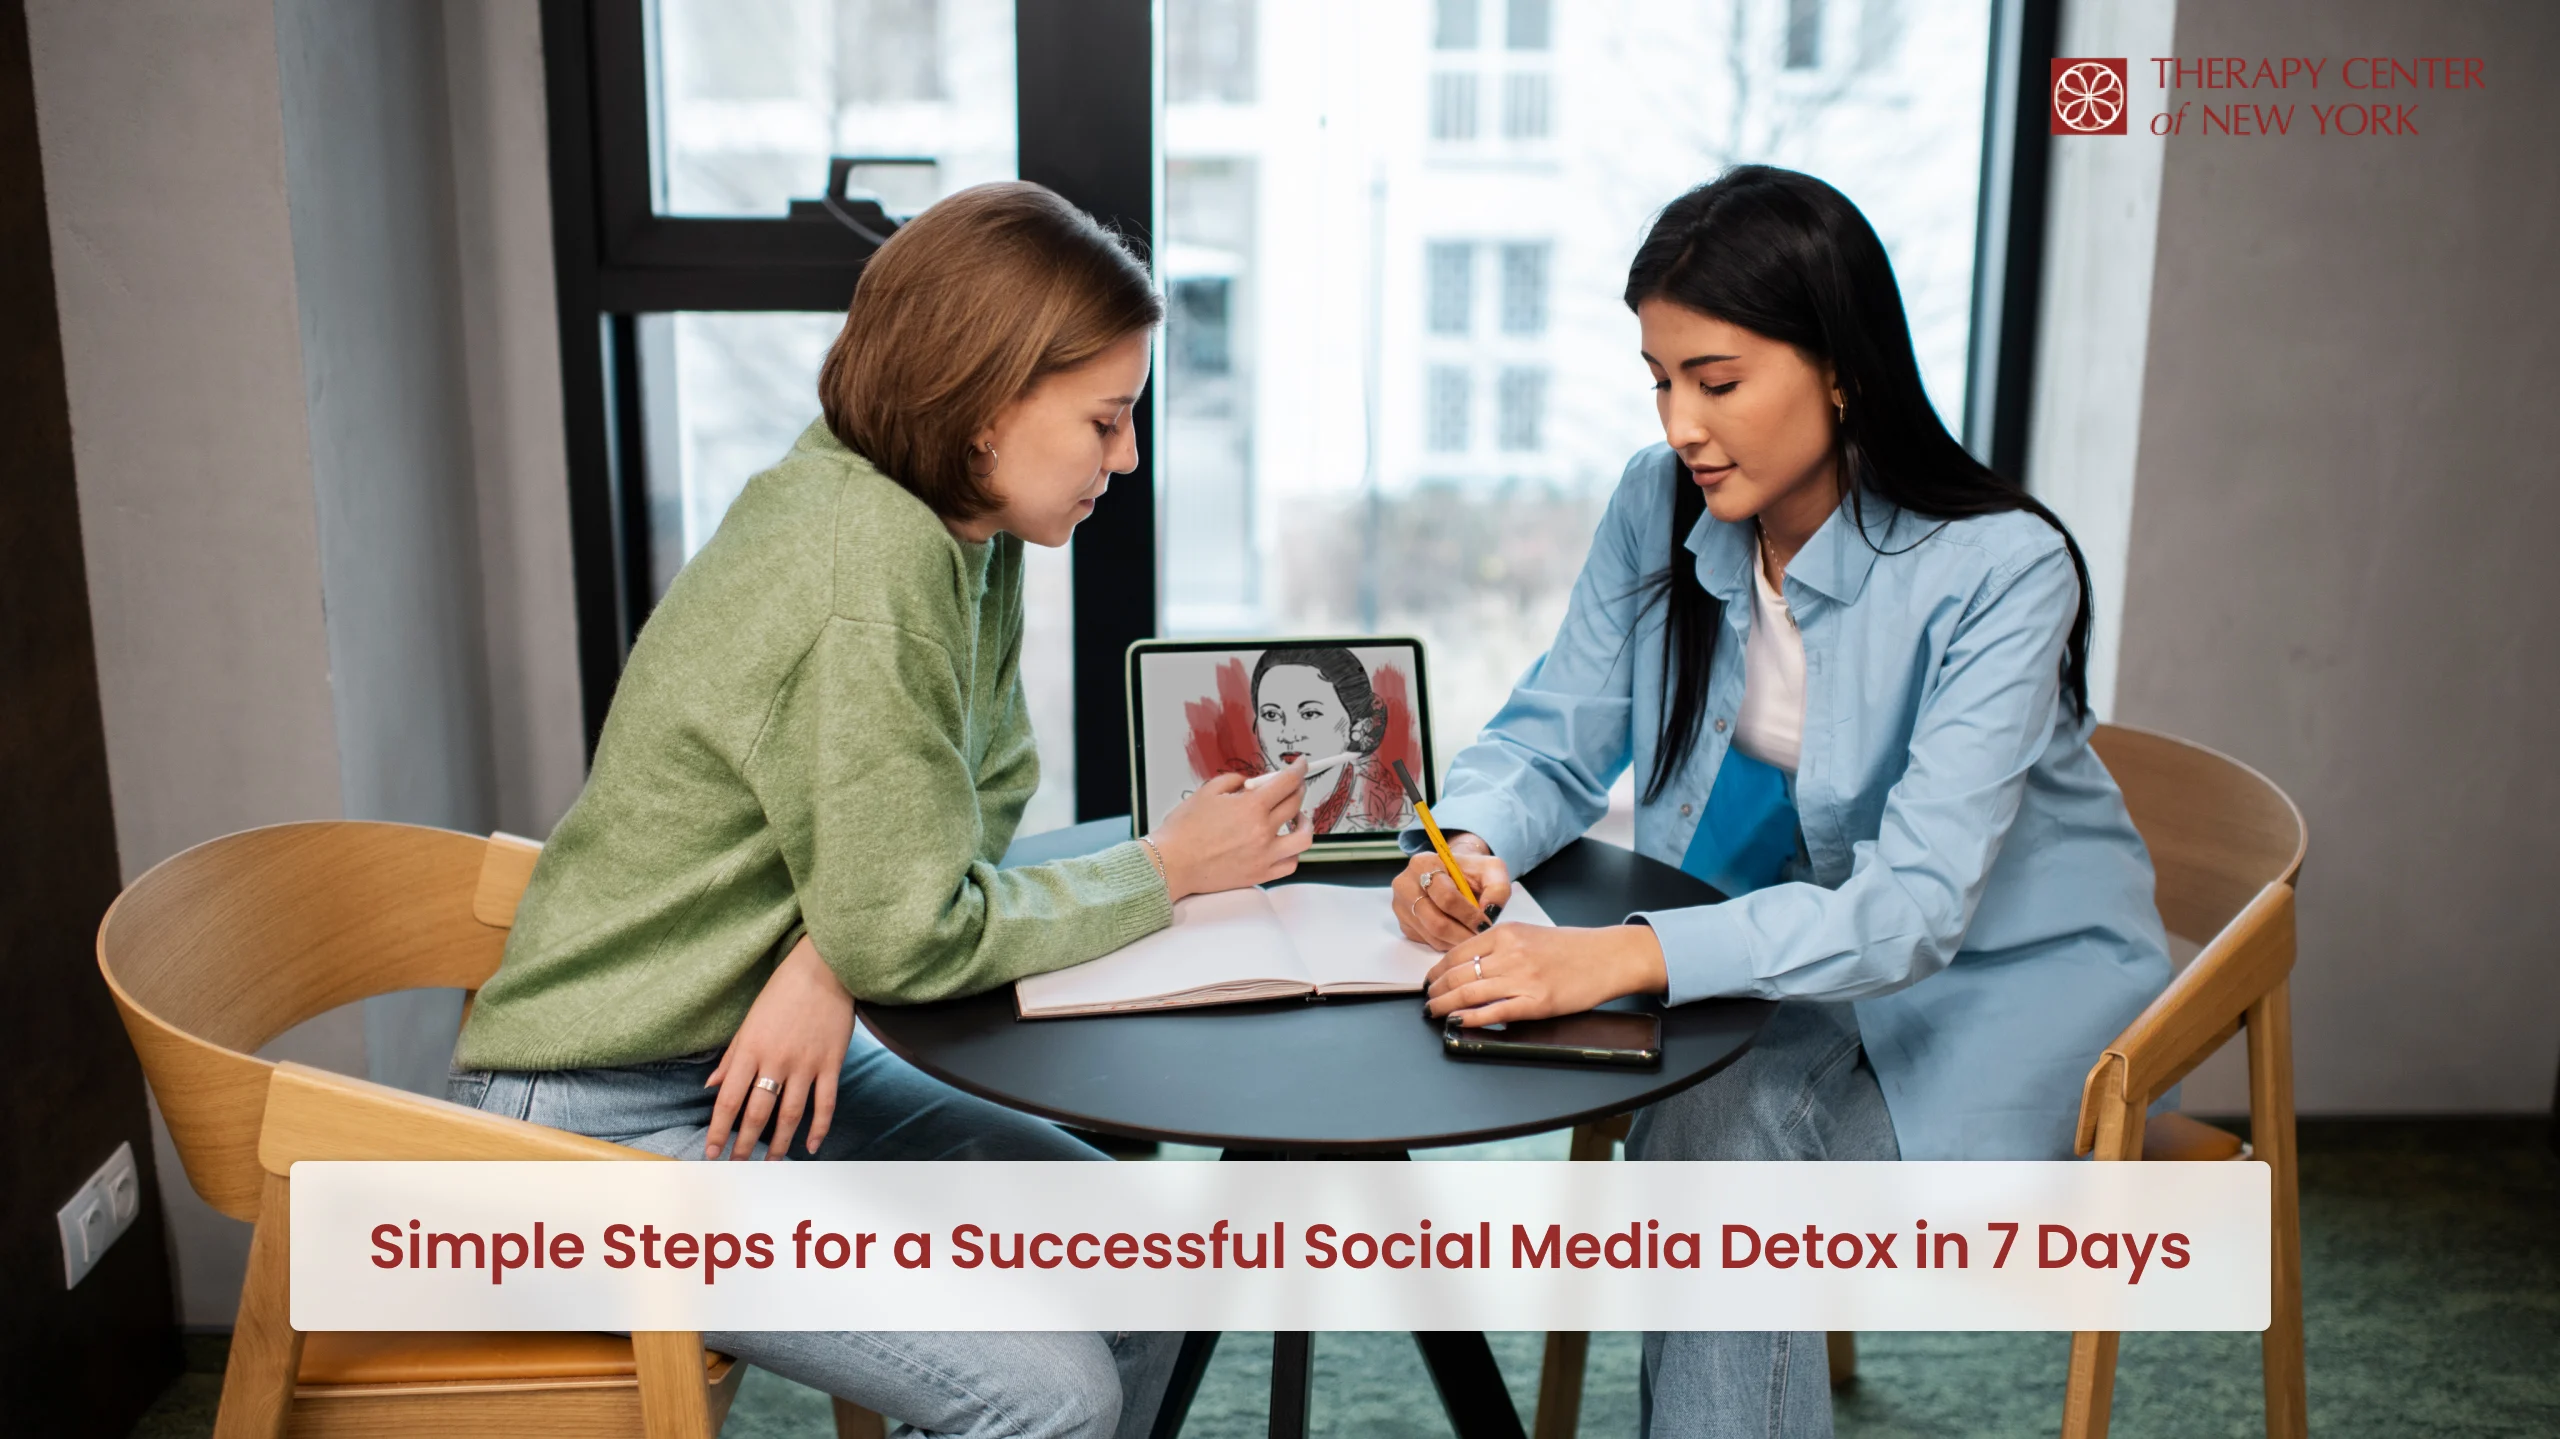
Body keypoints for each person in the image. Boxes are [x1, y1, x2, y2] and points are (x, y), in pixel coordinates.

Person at [447, 182, 1314, 1439]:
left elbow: (987, 781)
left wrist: (825, 957)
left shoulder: (957, 522)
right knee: (1050, 1397)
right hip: (595, 1129)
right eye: (1107, 420)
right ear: (983, 405)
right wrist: (1164, 867)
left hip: (746, 1057)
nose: (1127, 458)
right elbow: (913, 929)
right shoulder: (871, 564)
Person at [1389, 166, 2172, 1437]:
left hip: (1994, 985)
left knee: (1716, 1168)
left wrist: (1618, 955)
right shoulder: (1660, 502)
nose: (1681, 423)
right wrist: (1472, 842)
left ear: (1839, 365)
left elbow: (1914, 907)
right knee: (1711, 1123)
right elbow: (1557, 733)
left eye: (1718, 378)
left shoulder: (2002, 567)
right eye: (1658, 377)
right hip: (1787, 954)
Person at [1249, 645, 1413, 834]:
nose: (1288, 735)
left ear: (1356, 725)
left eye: (1309, 713)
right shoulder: (1236, 808)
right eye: (1271, 714)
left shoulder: (1393, 812)